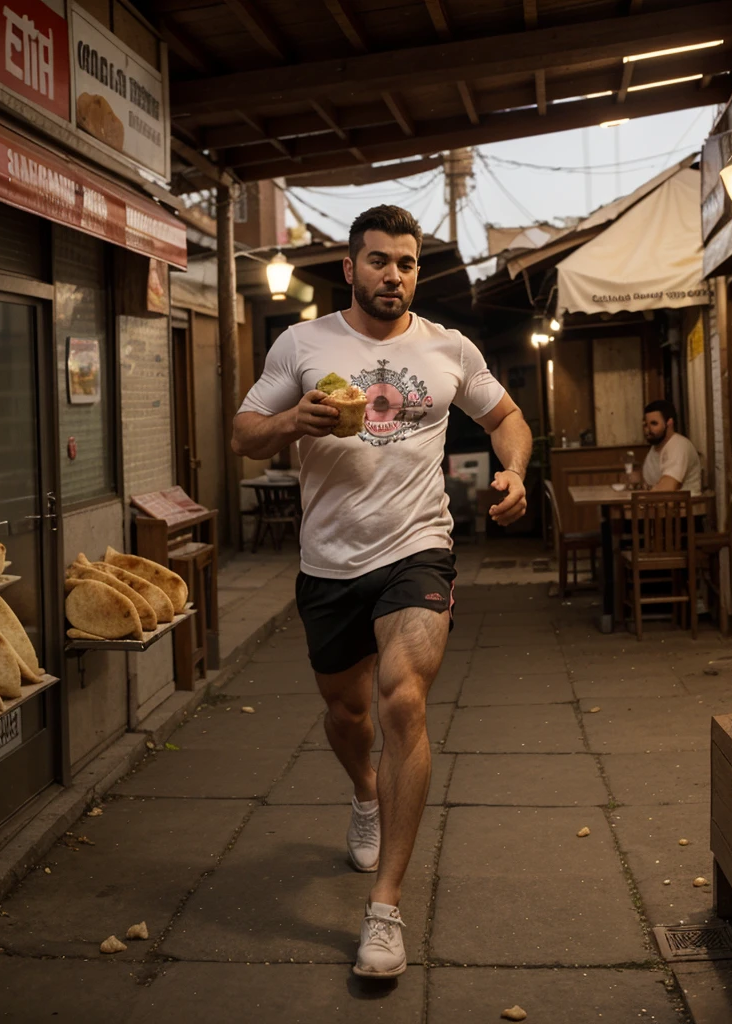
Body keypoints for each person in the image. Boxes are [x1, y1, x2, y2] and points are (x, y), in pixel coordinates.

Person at [230, 205, 532, 980]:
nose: (391, 274)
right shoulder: (302, 344)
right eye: (377, 261)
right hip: (330, 561)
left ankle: (386, 910)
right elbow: (243, 431)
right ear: (350, 267)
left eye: (404, 263)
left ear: (415, 273)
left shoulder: (448, 348)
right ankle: (366, 791)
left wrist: (515, 470)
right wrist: (297, 419)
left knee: (402, 702)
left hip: (418, 550)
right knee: (347, 712)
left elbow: (507, 418)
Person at [637, 399, 702, 495]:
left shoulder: (679, 446)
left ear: (669, 423)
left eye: (654, 423)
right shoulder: (654, 448)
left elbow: (667, 488)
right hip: (659, 506)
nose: (648, 430)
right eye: (646, 425)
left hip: (684, 507)